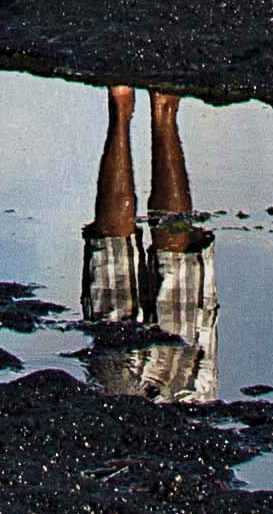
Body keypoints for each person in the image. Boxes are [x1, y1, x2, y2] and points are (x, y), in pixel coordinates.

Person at [80, 83, 219, 402]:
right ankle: (153, 106)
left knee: (122, 270)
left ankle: (134, 104)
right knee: (164, 273)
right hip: (179, 418)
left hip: (175, 420)